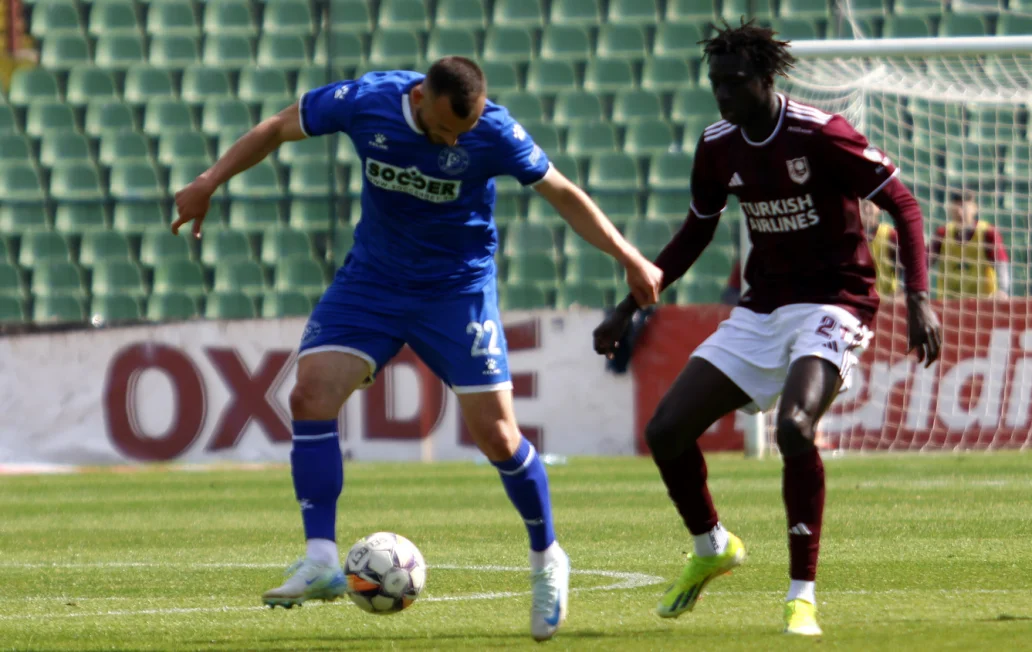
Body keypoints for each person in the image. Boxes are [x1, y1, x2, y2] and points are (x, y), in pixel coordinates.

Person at [172, 57, 663, 641]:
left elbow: (561, 191)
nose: (457, 139)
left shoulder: (494, 131)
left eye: (467, 128)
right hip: (373, 282)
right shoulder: (366, 102)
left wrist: (628, 257)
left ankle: (548, 559)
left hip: (456, 290)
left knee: (498, 436)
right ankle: (323, 560)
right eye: (448, 128)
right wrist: (208, 181)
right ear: (422, 97)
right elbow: (279, 126)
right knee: (309, 394)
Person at [593, 21, 941, 636]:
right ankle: (712, 548)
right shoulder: (718, 144)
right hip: (763, 308)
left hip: (837, 301)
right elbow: (696, 229)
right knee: (666, 430)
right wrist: (631, 304)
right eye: (715, 84)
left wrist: (918, 299)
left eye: (734, 83)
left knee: (795, 426)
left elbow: (904, 205)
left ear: (765, 79)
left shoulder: (821, 134)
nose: (723, 95)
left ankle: (800, 594)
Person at [930, 189, 1010, 299]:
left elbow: (1001, 262)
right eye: (956, 207)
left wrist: (1002, 290)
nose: (959, 212)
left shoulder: (987, 232)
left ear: (974, 209)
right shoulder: (942, 233)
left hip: (982, 304)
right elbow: (922, 262)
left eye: (964, 207)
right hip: (948, 304)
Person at [861, 198, 900, 297]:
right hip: (859, 300)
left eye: (870, 203)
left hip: (886, 301)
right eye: (863, 203)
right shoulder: (850, 235)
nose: (867, 208)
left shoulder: (890, 235)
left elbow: (905, 268)